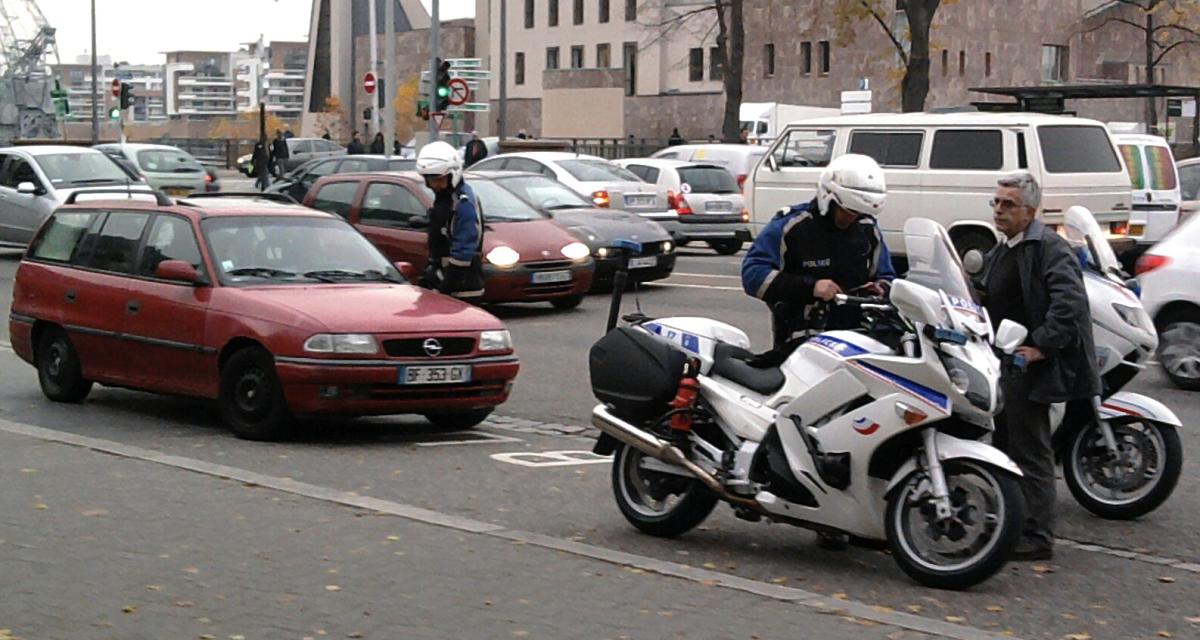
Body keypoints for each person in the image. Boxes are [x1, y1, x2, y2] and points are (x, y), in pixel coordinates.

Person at [975, 171, 1101, 562]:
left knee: (1030, 448)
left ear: (1030, 211)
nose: (999, 210)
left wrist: (1039, 347)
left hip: (1033, 363)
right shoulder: (1004, 247)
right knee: (1004, 444)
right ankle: (1009, 522)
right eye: (996, 203)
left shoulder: (1048, 247)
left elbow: (1070, 303)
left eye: (1008, 204)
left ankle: (1037, 535)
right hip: (1005, 359)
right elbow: (983, 289)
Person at [741, 153, 896, 343]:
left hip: (857, 338)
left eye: (859, 213)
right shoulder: (793, 226)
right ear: (828, 199)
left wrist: (880, 288)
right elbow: (753, 274)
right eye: (847, 212)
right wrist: (812, 287)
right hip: (801, 338)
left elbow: (887, 276)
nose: (852, 219)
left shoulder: (867, 230)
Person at [414, 141, 485, 299]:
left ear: (453, 174)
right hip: (446, 279)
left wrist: (446, 286)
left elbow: (464, 246)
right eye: (431, 180)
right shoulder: (445, 198)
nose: (435, 185)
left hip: (462, 286)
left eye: (439, 180)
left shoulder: (462, 202)